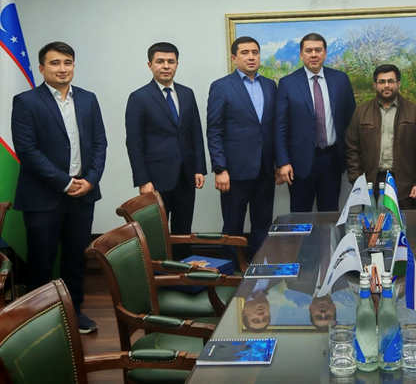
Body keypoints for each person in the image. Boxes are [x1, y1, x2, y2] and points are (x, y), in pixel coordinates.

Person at [11, 41, 107, 334]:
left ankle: (73, 311)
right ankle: (40, 321)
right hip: (43, 196)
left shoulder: (88, 99)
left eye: (67, 62)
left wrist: (91, 179)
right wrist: (64, 182)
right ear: (42, 68)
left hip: (83, 193)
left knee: (76, 258)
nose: (62, 68)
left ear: (73, 66)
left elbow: (100, 144)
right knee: (42, 260)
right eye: (55, 63)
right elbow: (27, 151)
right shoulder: (26, 101)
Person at [125, 42, 206, 260]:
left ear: (177, 64)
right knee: (157, 233)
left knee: (183, 229)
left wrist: (199, 168)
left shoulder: (187, 93)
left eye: (171, 61)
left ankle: (182, 272)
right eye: (160, 61)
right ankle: (159, 274)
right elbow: (134, 143)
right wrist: (142, 180)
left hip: (186, 175)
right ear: (150, 65)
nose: (166, 66)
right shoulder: (139, 97)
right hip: (155, 178)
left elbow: (195, 133)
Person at [206, 36, 277, 266]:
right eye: (245, 53)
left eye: (255, 52)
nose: (251, 57)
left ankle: (258, 269)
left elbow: (274, 127)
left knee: (263, 225)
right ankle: (229, 273)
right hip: (234, 172)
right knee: (232, 226)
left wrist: (278, 162)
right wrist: (220, 168)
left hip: (265, 168)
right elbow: (214, 130)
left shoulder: (270, 85)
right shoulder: (221, 86)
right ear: (234, 58)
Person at [275, 33, 356, 212]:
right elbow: (280, 127)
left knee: (329, 214)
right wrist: (282, 162)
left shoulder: (341, 80)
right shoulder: (287, 83)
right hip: (299, 161)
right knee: (300, 215)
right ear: (301, 54)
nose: (313, 54)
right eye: (309, 50)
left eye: (318, 50)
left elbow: (351, 120)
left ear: (325, 53)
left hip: (332, 159)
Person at [345, 64, 416, 210]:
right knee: (374, 224)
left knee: (404, 223)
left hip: (405, 183)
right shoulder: (360, 113)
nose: (386, 85)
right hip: (370, 183)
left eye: (391, 81)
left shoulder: (415, 112)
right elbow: (351, 150)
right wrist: (357, 182)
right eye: (382, 82)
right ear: (375, 85)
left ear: (398, 83)